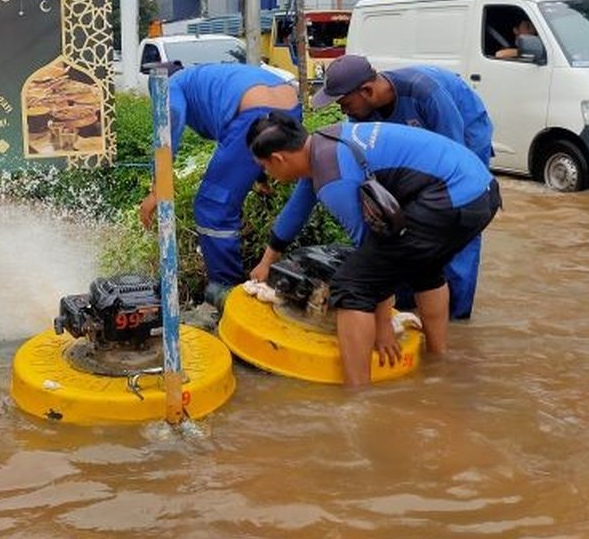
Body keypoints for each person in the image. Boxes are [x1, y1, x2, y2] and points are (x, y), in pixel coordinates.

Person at [247, 114, 500, 386]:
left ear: (279, 159)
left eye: (264, 167)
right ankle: (438, 363)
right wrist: (267, 261)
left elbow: (373, 249)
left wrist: (383, 327)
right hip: (481, 191)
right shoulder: (322, 143)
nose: (268, 176)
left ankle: (359, 397)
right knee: (423, 265)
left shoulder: (334, 178)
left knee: (353, 285)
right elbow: (297, 210)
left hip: (452, 198)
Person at [310, 54, 493, 320]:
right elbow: (364, 167)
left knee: (456, 217)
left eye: (345, 103)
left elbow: (453, 159)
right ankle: (406, 302)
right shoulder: (362, 115)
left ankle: (455, 313)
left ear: (368, 91)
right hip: (419, 148)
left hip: (464, 133)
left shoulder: (427, 95)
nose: (343, 111)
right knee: (406, 222)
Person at [137, 62, 302, 306]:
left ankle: (228, 294)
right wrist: (260, 175)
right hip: (290, 108)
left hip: (253, 113)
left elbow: (170, 120)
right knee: (226, 197)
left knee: (212, 206)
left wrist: (157, 188)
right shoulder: (205, 77)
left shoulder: (173, 85)